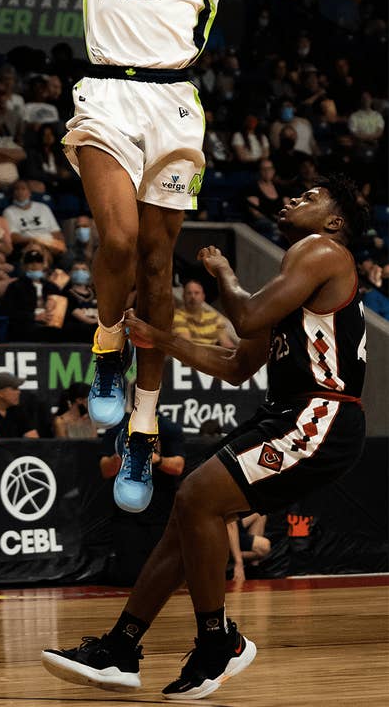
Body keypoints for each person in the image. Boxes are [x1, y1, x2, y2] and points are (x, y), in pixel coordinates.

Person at [48, 0, 305, 513]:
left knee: (159, 267)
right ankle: (104, 350)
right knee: (121, 243)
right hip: (106, 92)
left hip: (174, 105)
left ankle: (142, 425)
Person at [42, 174, 367, 700]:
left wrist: (222, 273)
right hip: (289, 414)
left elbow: (247, 315)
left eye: (309, 198)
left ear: (334, 222)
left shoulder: (322, 249)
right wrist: (161, 340)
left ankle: (218, 643)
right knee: (185, 520)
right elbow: (238, 365)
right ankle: (121, 648)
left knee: (195, 495)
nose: (292, 198)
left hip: (319, 415)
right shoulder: (297, 280)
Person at [100, 407, 185, 584]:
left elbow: (178, 467)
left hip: (159, 511)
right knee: (130, 577)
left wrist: (156, 459)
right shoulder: (117, 428)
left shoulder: (168, 428)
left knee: (162, 577)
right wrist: (122, 454)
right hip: (126, 513)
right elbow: (105, 470)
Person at [2, 179, 66, 260]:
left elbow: (56, 231)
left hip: (50, 243)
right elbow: (14, 237)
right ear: (13, 193)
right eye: (17, 189)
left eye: (23, 189)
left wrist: (60, 244)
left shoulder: (43, 207)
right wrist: (36, 240)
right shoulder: (9, 211)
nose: (20, 192)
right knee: (37, 250)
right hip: (28, 245)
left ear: (30, 192)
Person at [173, 280, 237, 349]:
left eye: (196, 293)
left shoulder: (214, 317)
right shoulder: (178, 315)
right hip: (189, 356)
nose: (193, 297)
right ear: (183, 297)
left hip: (211, 355)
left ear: (203, 297)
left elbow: (226, 344)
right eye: (189, 293)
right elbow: (187, 346)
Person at [0, 371, 39, 438]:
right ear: (0, 393)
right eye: (14, 389)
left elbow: (33, 439)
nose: (19, 392)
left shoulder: (18, 410)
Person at [226, 513, 270, 583]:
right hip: (221, 531)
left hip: (232, 524)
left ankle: (252, 569)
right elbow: (230, 523)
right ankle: (229, 558)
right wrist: (238, 562)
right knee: (264, 546)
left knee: (260, 515)